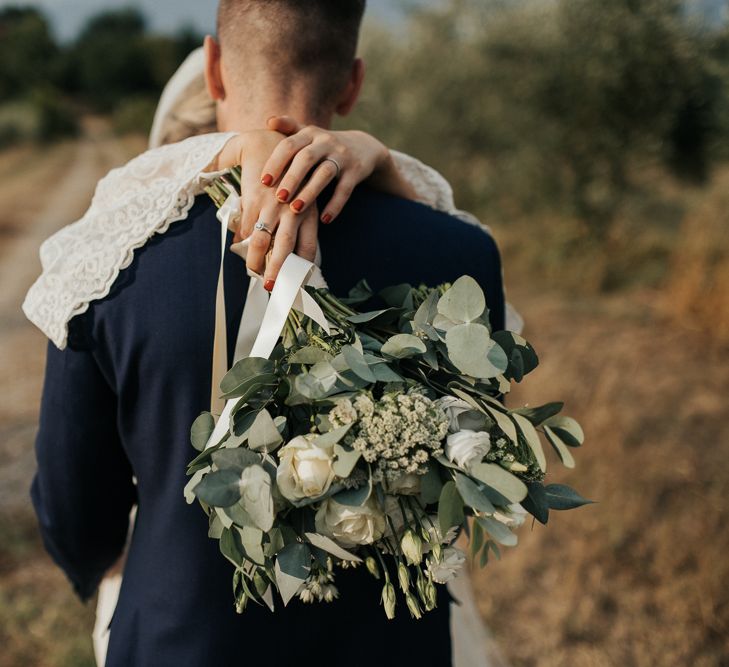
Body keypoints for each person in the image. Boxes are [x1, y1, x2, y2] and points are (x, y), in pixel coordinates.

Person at [24, 1, 512, 665]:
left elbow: (73, 510)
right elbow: (472, 470)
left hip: (181, 640)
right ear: (353, 82)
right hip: (390, 646)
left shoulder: (110, 259)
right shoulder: (460, 253)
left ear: (215, 68)